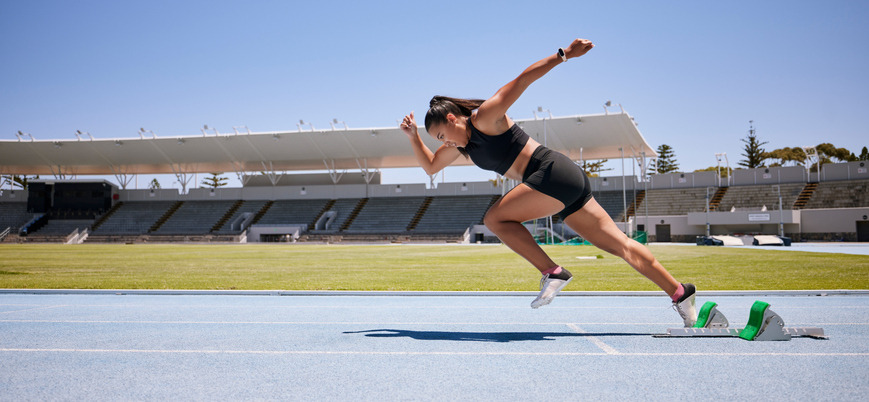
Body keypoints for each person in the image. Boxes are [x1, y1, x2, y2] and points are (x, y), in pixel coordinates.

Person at [399, 38, 697, 326]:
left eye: (441, 136)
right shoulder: (463, 146)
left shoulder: (484, 118)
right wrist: (414, 138)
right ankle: (680, 293)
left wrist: (564, 54)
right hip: (562, 182)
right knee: (623, 246)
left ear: (452, 118)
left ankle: (552, 272)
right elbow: (430, 167)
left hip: (551, 171)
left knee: (495, 219)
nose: (444, 143)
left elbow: (522, 80)